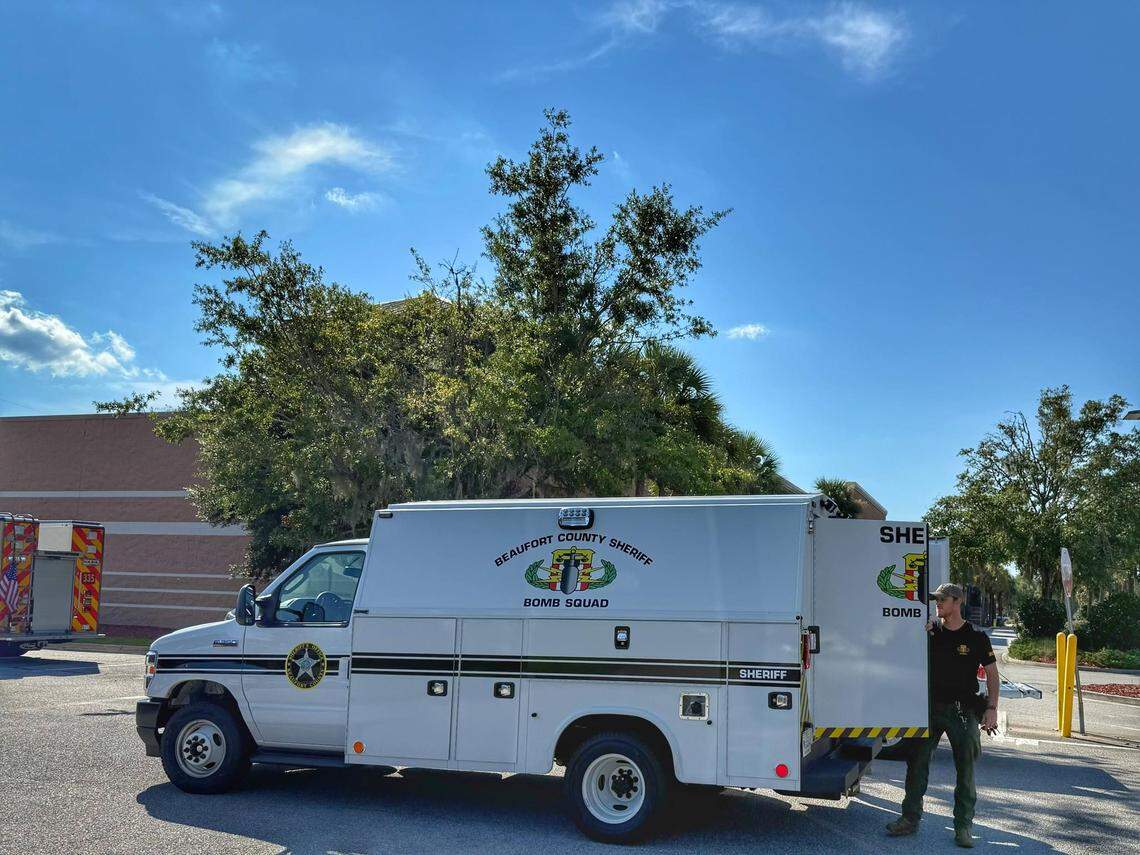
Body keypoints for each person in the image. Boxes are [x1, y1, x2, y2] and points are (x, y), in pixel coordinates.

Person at [885, 582, 999, 848]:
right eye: (936, 599)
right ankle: (909, 819)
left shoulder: (976, 637)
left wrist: (991, 709)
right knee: (917, 764)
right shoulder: (932, 632)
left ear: (957, 601)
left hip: (963, 710)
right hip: (931, 708)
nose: (938, 603)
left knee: (966, 770)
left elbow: (992, 674)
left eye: (942, 599)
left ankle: (963, 827)